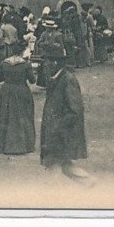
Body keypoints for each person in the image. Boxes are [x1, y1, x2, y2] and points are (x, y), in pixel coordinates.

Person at [39, 44, 89, 177]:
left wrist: (58, 127)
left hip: (61, 134)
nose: (44, 65)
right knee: (65, 167)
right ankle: (91, 184)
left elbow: (75, 110)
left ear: (55, 62)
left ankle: (91, 184)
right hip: (55, 133)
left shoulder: (67, 79)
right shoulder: (55, 78)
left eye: (46, 61)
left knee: (55, 167)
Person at [0, 42, 36, 155]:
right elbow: (32, 80)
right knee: (22, 116)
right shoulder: (26, 64)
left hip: (6, 91)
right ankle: (22, 145)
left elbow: (1, 78)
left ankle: (3, 145)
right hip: (21, 91)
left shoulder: (4, 63)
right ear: (22, 51)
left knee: (5, 116)